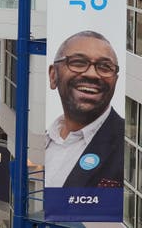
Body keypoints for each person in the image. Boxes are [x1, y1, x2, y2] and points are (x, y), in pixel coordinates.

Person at [45, 30, 124, 188]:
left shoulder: (127, 145)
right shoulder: (42, 140)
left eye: (105, 67)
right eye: (78, 63)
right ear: (53, 76)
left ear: (115, 80)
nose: (92, 74)